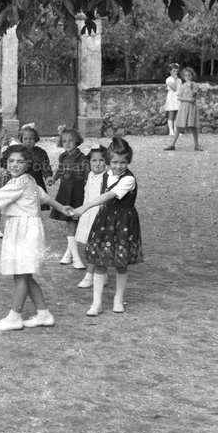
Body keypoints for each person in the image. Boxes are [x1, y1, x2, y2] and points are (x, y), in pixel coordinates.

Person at [0, 145, 74, 331]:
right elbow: (45, 198)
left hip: (24, 230)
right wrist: (62, 207)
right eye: (11, 161)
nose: (15, 165)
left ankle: (14, 317)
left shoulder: (19, 183)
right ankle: (44, 314)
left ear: (27, 164)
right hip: (24, 229)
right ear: (6, 163)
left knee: (22, 275)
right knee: (23, 274)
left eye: (20, 161)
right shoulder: (29, 180)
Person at [72, 137, 143, 316]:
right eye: (114, 162)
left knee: (120, 263)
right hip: (104, 220)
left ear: (128, 161)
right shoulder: (105, 175)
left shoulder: (129, 180)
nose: (118, 166)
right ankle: (96, 303)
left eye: (123, 162)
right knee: (99, 261)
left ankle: (118, 299)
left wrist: (84, 208)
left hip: (123, 222)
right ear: (108, 161)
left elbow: (107, 196)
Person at [47, 126, 88, 268]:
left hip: (77, 192)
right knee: (69, 222)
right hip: (65, 191)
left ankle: (72, 255)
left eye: (71, 140)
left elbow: (87, 176)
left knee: (74, 222)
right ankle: (71, 255)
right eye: (64, 141)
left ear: (77, 141)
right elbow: (60, 169)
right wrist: (54, 178)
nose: (68, 143)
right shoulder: (63, 156)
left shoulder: (82, 158)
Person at [74, 146, 107, 289]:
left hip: (100, 216)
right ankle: (103, 275)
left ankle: (89, 276)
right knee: (94, 246)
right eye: (94, 160)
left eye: (101, 160)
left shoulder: (107, 177)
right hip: (88, 214)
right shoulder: (90, 176)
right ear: (89, 162)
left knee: (96, 246)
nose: (98, 163)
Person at [164, 67, 203, 151]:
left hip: (192, 108)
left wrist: (189, 86)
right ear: (183, 76)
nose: (187, 77)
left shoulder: (195, 85)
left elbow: (193, 96)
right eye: (185, 75)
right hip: (183, 107)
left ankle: (196, 145)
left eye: (189, 75)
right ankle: (172, 144)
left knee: (193, 127)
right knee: (178, 126)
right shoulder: (182, 86)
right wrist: (188, 99)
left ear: (192, 76)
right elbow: (179, 98)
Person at [17, 123, 52, 194]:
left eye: (31, 139)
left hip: (37, 182)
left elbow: (45, 166)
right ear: (21, 139)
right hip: (22, 183)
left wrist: (48, 176)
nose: (28, 141)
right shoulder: (18, 152)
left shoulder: (41, 153)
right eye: (25, 139)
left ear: (35, 139)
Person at [163, 63, 181, 137]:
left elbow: (179, 89)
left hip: (177, 98)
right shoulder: (169, 80)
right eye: (173, 71)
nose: (175, 73)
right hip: (171, 98)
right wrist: (175, 80)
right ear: (170, 71)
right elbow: (174, 88)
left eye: (176, 71)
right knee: (171, 114)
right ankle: (171, 130)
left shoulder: (179, 80)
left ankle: (176, 129)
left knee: (177, 114)